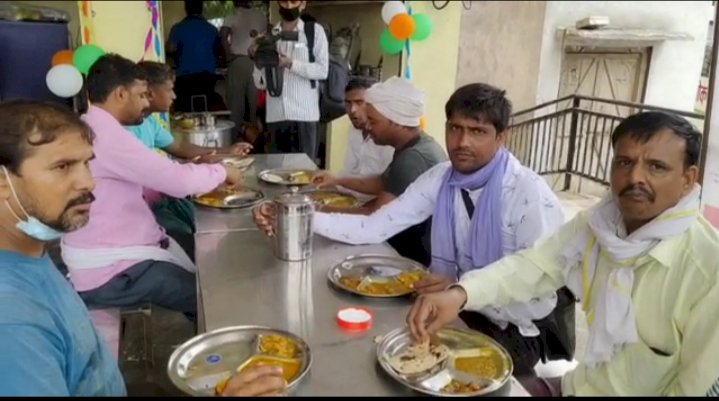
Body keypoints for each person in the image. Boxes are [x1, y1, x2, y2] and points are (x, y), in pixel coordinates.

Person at [406, 111, 719, 396]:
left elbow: (697, 388)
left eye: (656, 167)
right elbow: (535, 266)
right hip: (578, 388)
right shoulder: (599, 225)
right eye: (624, 162)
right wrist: (460, 293)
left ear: (688, 180)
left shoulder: (707, 270)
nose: (636, 177)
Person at [267, 83, 571, 374]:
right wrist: (298, 215)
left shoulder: (527, 193)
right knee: (380, 350)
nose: (463, 142)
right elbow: (375, 226)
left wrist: (461, 289)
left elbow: (538, 281)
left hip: (517, 327)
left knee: (428, 369)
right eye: (455, 128)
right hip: (457, 306)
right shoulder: (442, 178)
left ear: (501, 137)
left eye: (477, 131)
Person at [0, 100, 285, 397]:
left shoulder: (30, 259)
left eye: (86, 163)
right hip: (117, 269)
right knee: (209, 294)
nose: (88, 182)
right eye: (62, 167)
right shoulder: (13, 322)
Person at [60, 54, 243, 325]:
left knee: (206, 255)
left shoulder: (93, 126)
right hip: (114, 272)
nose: (146, 103)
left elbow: (149, 177)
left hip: (122, 253)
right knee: (210, 297)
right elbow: (178, 182)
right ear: (121, 94)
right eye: (142, 95)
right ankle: (215, 355)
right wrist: (221, 171)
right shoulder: (105, 135)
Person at [258, 77, 447, 265]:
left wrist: (311, 211)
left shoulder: (413, 158)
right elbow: (383, 182)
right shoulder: (415, 145)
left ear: (396, 122)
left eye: (373, 121)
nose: (368, 125)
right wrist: (338, 180)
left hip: (406, 254)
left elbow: (373, 215)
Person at [126, 61, 252, 259]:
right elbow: (158, 174)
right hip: (144, 209)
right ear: (149, 93)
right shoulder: (125, 130)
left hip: (163, 198)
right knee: (189, 237)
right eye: (170, 90)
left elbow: (178, 148)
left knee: (203, 220)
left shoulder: (147, 121)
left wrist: (226, 150)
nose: (174, 96)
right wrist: (202, 168)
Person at [250, 0, 329, 161]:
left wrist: (291, 64)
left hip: (304, 116)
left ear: (303, 4)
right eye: (284, 2)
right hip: (276, 116)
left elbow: (322, 70)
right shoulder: (269, 35)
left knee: (304, 174)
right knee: (276, 174)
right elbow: (260, 83)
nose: (288, 6)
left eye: (293, 2)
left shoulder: (314, 32)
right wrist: (257, 58)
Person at [166, 0, 223, 112]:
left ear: (186, 9)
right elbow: (219, 51)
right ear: (202, 10)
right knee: (205, 108)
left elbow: (170, 48)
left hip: (184, 79)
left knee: (185, 111)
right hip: (207, 79)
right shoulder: (212, 29)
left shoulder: (178, 28)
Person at [221, 0, 266, 132]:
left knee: (235, 107)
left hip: (239, 61)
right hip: (257, 63)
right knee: (255, 106)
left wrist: (228, 54)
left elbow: (223, 35)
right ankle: (255, 142)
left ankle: (234, 142)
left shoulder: (232, 15)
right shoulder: (261, 15)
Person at [340, 77, 394, 177]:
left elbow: (387, 185)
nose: (352, 110)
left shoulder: (388, 139)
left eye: (359, 102)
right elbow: (348, 171)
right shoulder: (354, 131)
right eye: (348, 103)